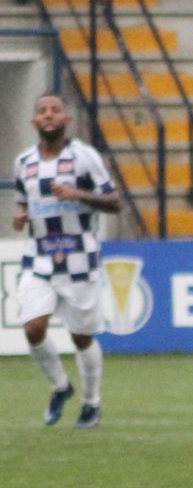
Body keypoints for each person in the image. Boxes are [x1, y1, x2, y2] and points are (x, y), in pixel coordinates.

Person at [12, 93, 121, 428]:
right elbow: (24, 202)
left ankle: (91, 403)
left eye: (55, 110)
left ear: (66, 119)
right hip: (40, 257)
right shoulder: (24, 162)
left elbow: (114, 201)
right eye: (42, 110)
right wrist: (21, 216)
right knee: (33, 327)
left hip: (79, 259)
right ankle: (61, 386)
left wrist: (79, 195)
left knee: (81, 337)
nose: (48, 115)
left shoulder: (84, 157)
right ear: (34, 121)